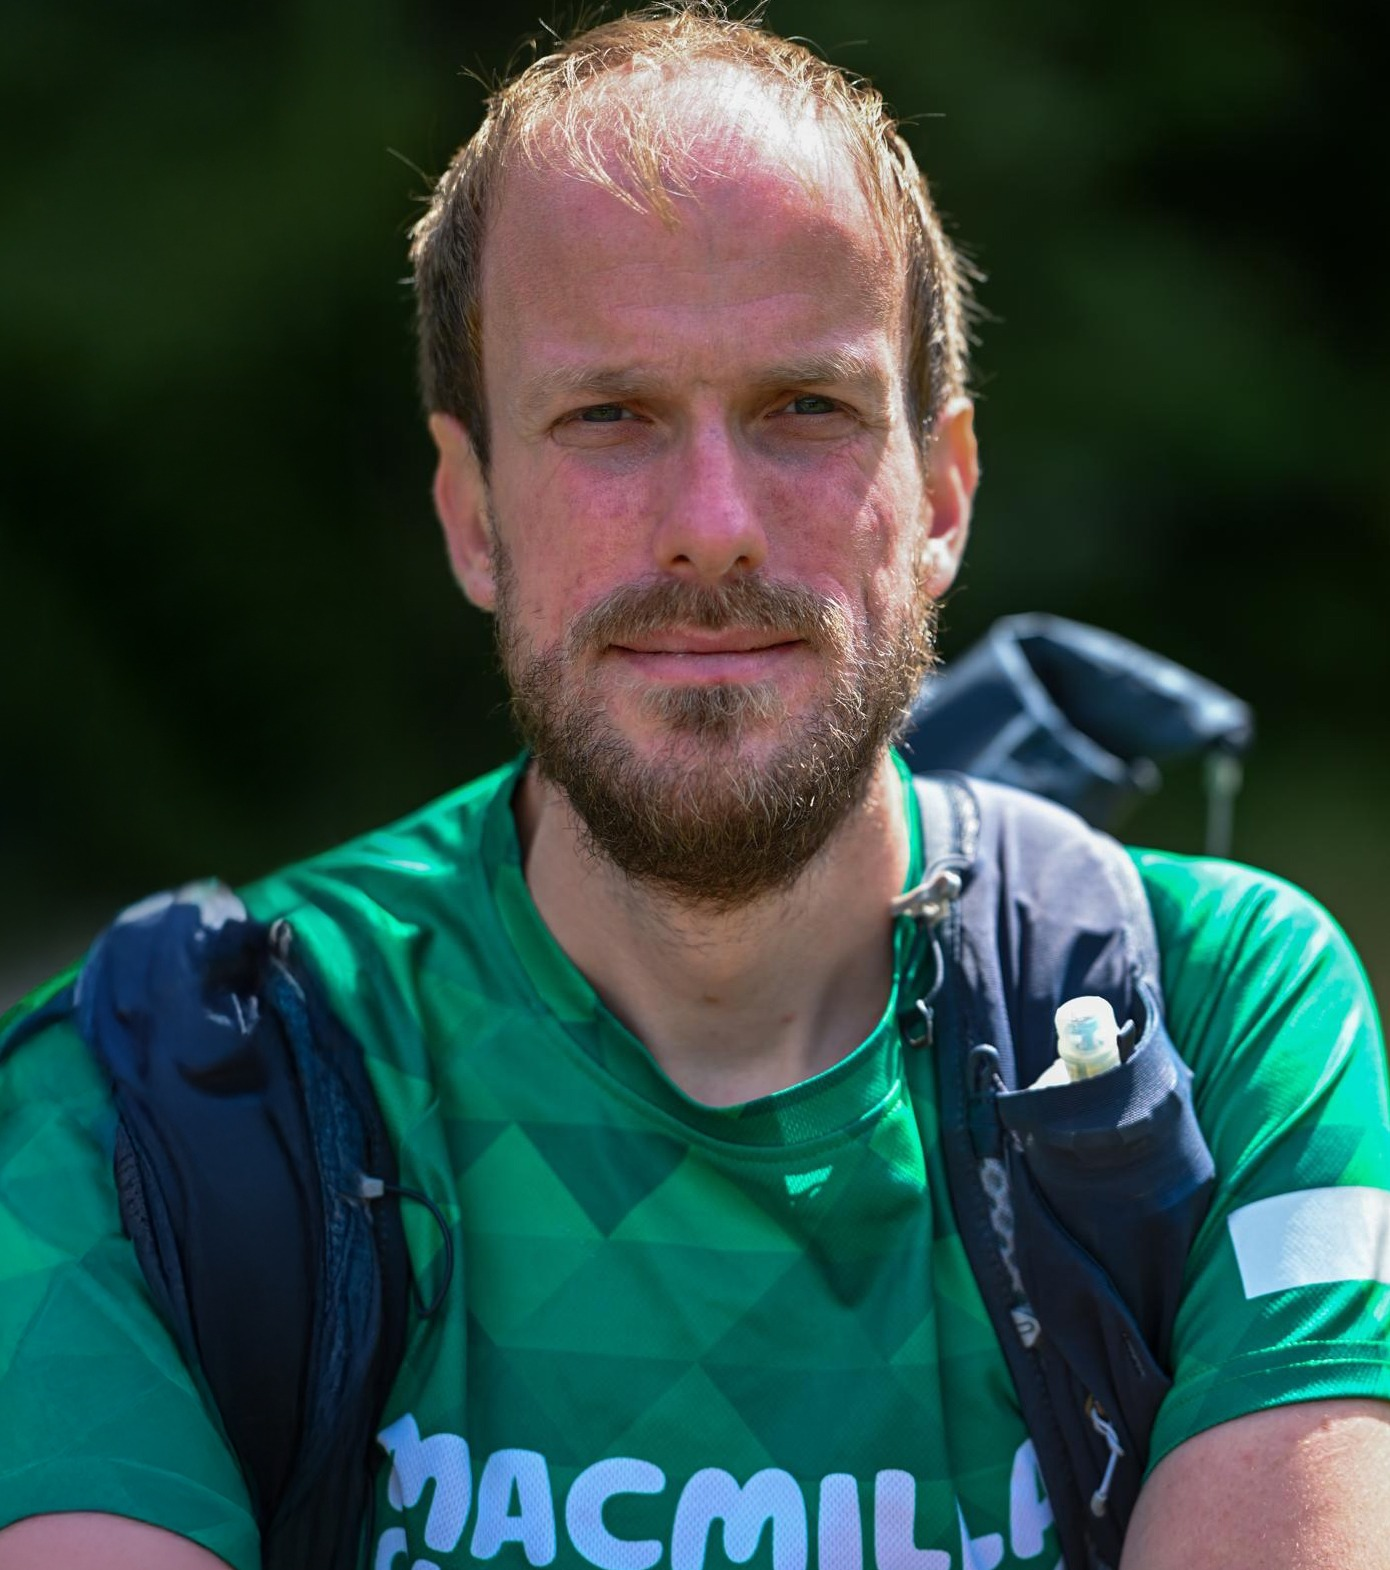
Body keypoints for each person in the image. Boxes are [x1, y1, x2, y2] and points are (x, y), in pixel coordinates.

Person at [2, 5, 1389, 1567]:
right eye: (609, 416)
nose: (712, 524)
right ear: (471, 513)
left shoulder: (1214, 1026)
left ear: (938, 495)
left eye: (804, 408)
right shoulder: (151, 1099)